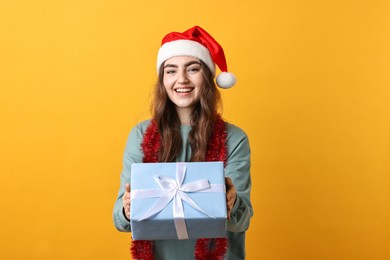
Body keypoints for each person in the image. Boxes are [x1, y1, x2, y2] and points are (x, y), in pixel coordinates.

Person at [113, 25, 253, 260]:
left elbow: (241, 222)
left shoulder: (234, 138)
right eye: (171, 71)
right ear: (162, 79)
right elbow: (121, 221)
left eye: (193, 69)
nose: (182, 79)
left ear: (207, 76)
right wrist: (128, 209)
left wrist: (232, 201)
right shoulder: (140, 135)